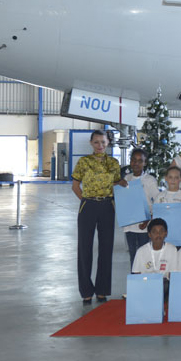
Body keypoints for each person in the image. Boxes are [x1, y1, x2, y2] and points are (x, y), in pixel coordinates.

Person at [71, 129, 126, 303]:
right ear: (91, 143)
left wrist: (123, 184)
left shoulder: (114, 163)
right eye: (96, 142)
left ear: (108, 143)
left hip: (107, 206)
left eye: (103, 142)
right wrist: (87, 201)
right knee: (84, 248)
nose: (100, 145)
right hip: (88, 205)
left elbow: (117, 184)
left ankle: (102, 290)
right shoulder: (83, 162)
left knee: (106, 248)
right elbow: (75, 186)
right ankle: (86, 291)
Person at [122, 149, 159, 267]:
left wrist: (148, 220)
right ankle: (134, 279)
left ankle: (145, 279)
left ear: (145, 163)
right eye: (133, 160)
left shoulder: (149, 180)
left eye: (140, 161)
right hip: (130, 225)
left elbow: (157, 202)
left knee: (145, 255)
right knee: (133, 255)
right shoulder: (126, 179)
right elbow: (123, 201)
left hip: (144, 225)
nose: (136, 163)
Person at [155, 165, 181, 233]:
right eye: (170, 177)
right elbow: (155, 216)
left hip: (180, 233)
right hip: (162, 233)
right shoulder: (159, 196)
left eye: (176, 177)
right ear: (166, 178)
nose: (173, 180)